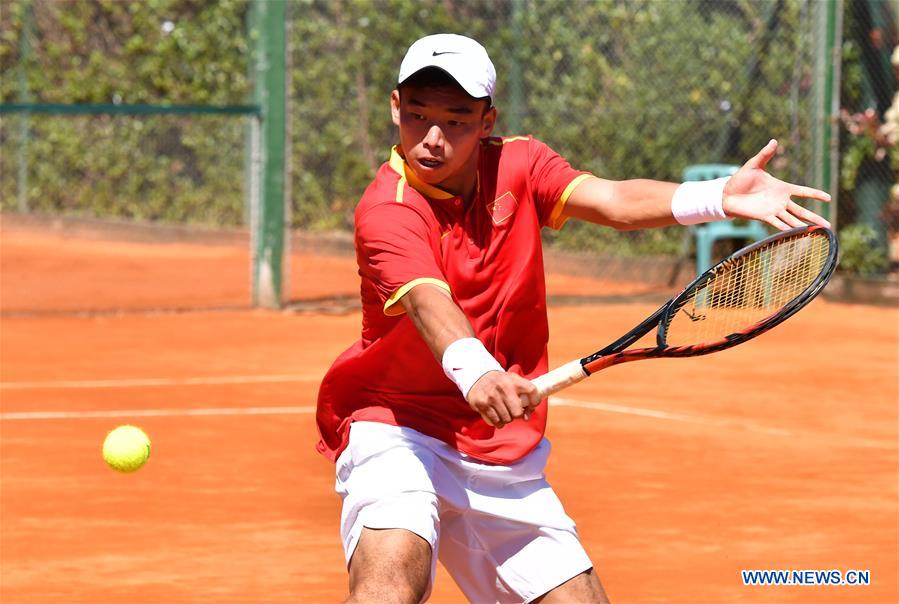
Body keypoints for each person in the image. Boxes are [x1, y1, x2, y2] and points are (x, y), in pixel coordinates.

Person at [316, 33, 831, 604]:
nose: (432, 138)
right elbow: (427, 302)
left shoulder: (520, 163)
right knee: (389, 580)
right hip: (398, 428)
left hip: (500, 451)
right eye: (417, 116)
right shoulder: (387, 211)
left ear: (488, 119)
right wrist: (478, 373)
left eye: (456, 120)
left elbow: (610, 202)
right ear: (395, 107)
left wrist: (718, 196)